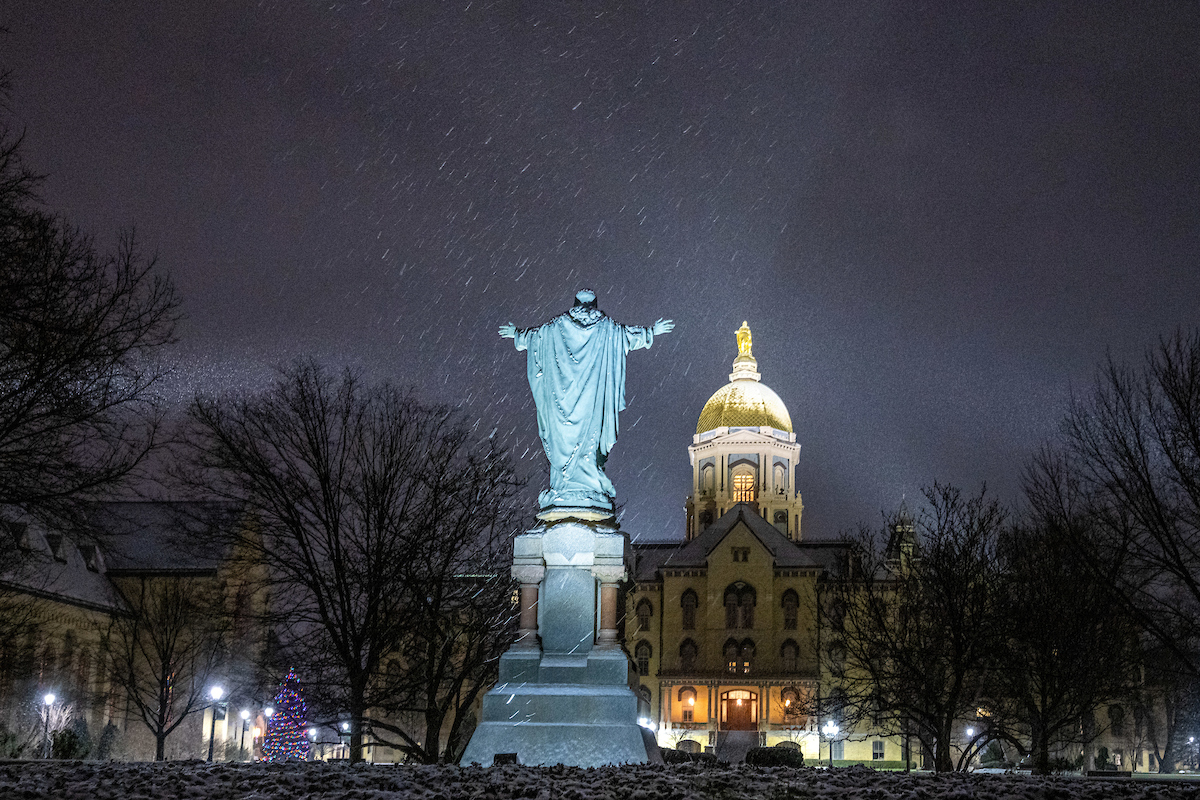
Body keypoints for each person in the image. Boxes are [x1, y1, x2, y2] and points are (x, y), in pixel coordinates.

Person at [500, 289, 673, 520]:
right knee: (586, 441)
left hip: (566, 398)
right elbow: (626, 336)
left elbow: (536, 337)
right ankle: (572, 486)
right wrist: (651, 331)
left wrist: (519, 335)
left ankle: (572, 485)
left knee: (570, 443)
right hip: (590, 397)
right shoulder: (603, 327)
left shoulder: (561, 326)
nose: (585, 309)